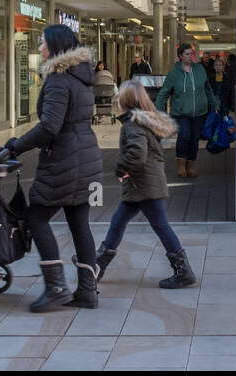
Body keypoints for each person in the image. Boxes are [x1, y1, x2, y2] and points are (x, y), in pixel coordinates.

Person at [4, 24, 102, 311]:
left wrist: (16, 145)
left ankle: (56, 287)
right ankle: (87, 291)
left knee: (36, 218)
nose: (39, 48)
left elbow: (50, 126)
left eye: (42, 42)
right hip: (85, 156)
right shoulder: (82, 76)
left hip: (64, 160)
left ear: (56, 46)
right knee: (79, 224)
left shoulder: (59, 79)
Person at [90, 80, 196, 289]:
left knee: (161, 226)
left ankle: (184, 271)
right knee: (118, 222)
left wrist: (121, 167)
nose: (116, 100)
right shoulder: (143, 120)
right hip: (141, 184)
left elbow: (137, 153)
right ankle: (98, 263)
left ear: (126, 101)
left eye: (119, 96)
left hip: (145, 185)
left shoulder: (133, 124)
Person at [155, 43, 217, 178]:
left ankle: (191, 164)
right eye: (187, 54)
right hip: (180, 113)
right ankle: (181, 164)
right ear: (180, 56)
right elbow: (164, 93)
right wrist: (160, 111)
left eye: (192, 54)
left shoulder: (199, 69)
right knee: (184, 137)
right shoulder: (174, 73)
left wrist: (214, 103)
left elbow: (207, 89)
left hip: (199, 112)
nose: (190, 57)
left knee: (195, 138)